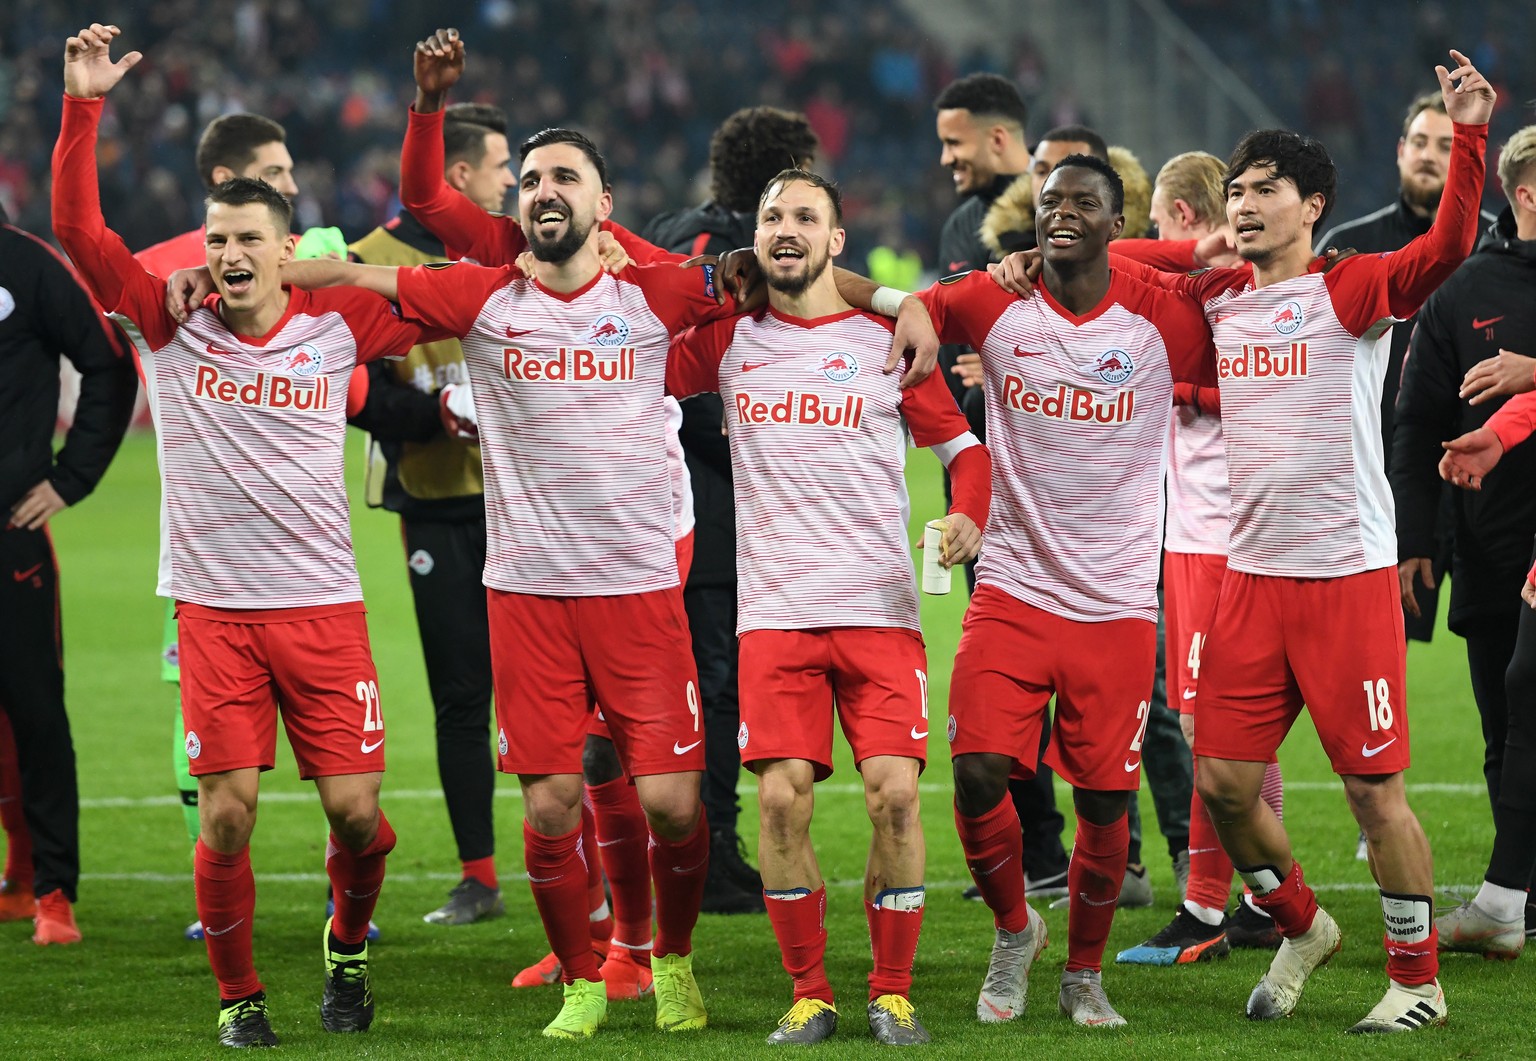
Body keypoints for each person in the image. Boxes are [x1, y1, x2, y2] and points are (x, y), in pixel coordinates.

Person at [1038, 48, 1493, 1034]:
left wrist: (1470, 137)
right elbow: (1114, 262)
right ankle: (1302, 923)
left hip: (1344, 575)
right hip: (1249, 576)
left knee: (1377, 796)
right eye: (1235, 190)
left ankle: (1416, 979)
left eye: (1266, 190)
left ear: (1314, 204)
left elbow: (1449, 246)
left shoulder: (1353, 292)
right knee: (1225, 784)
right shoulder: (1221, 298)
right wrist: (1192, 255)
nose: (1244, 204)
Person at [53, 23, 426, 1047]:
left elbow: (445, 293)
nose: (226, 257)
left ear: (286, 250)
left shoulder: (337, 318)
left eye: (246, 241)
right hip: (216, 611)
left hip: (324, 613)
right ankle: (240, 996)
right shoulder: (171, 323)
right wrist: (83, 107)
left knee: (358, 817)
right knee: (226, 814)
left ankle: (345, 953)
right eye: (213, 240)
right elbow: (83, 236)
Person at [667, 168, 990, 1046]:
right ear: (756, 235)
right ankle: (810, 992)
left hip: (881, 610)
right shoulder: (730, 343)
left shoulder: (887, 342)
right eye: (773, 215)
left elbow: (964, 452)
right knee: (780, 802)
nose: (787, 228)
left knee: (893, 797)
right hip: (773, 613)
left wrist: (966, 512)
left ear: (834, 241)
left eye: (806, 216)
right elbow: (641, 359)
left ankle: (892, 991)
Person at [926, 154, 1215, 1029]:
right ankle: (1017, 930)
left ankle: (1083, 972)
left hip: (1116, 604)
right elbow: (902, 307)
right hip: (1011, 588)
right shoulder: (992, 301)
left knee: (1102, 803)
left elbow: (1235, 274)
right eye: (1051, 203)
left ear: (1115, 221)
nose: (1061, 214)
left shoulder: (1163, 319)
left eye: (1083, 203)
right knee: (977, 772)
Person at [642, 105, 821, 916]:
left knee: (675, 680)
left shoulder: (668, 229)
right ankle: (710, 854)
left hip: (650, 496)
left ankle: (684, 847)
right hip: (722, 498)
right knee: (717, 683)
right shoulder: (750, 256)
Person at [345, 101, 516, 928]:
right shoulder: (368, 261)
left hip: (533, 504)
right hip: (436, 501)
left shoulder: (515, 253)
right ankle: (478, 875)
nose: (514, 182)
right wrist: (436, 413)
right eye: (502, 167)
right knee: (461, 690)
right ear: (459, 175)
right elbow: (354, 392)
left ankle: (588, 872)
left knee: (559, 693)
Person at [1116, 151, 1284, 967]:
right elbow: (1112, 261)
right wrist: (1192, 255)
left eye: (1159, 222)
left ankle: (1227, 906)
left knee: (1212, 726)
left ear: (1180, 213)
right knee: (1228, 730)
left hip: (1227, 540)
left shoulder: (1255, 294)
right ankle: (1244, 904)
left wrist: (1186, 395)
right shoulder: (1205, 284)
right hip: (1197, 536)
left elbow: (1264, 396)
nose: (1150, 235)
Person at [1392, 123, 1536, 949]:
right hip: (1492, 543)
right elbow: (1415, 421)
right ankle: (1516, 889)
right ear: (1525, 193)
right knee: (1505, 724)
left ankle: (1506, 898)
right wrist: (1418, 538)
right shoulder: (1460, 292)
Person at [932, 72, 1072, 904]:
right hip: (993, 470)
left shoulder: (1059, 210)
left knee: (1089, 680)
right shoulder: (964, 225)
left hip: (1073, 477)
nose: (944, 157)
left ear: (995, 139)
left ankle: (1097, 856)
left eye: (953, 141)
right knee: (1007, 676)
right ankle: (1036, 850)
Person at [0, 202, 138, 945]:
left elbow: (109, 361)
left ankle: (50, 890)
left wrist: (71, 476)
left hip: (9, 534)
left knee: (34, 713)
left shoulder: (25, 263)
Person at [1315, 90, 1498, 646]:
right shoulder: (1348, 248)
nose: (1428, 154)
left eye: (1446, 145)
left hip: (1484, 472)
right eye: (1419, 142)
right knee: (1363, 652)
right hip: (1373, 479)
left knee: (1499, 650)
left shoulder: (1496, 247)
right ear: (1399, 151)